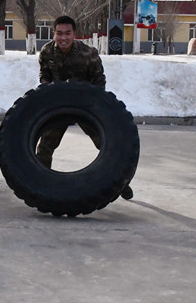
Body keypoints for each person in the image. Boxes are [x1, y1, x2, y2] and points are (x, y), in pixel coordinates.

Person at [36, 15, 133, 200]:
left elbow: (99, 80)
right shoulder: (47, 52)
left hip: (86, 107)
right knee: (45, 147)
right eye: (59, 33)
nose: (63, 38)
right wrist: (46, 85)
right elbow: (44, 74)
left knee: (107, 146)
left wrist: (95, 105)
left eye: (67, 33)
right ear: (54, 33)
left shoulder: (88, 53)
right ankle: (40, 184)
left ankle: (122, 183)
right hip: (59, 106)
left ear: (74, 34)